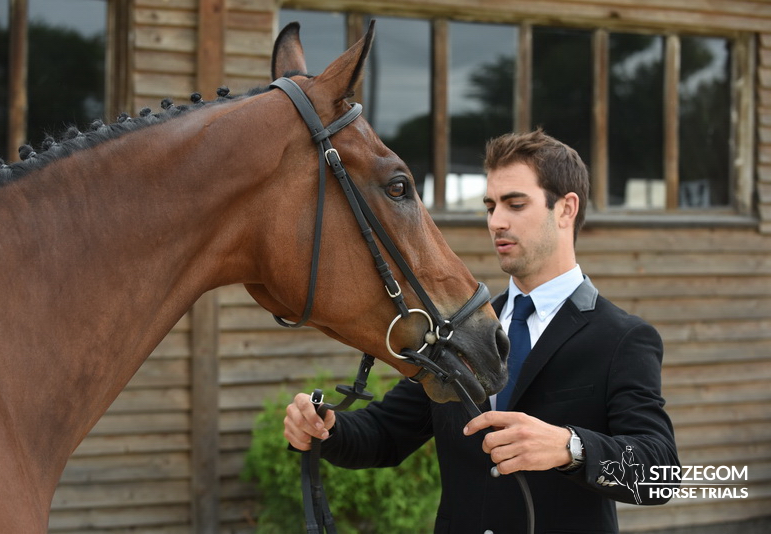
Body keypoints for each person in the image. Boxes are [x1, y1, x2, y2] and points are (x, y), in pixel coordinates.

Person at [284, 129, 680, 533]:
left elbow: (659, 473)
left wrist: (569, 447)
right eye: (490, 205)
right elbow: (385, 434)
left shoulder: (622, 338)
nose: (496, 221)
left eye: (515, 204)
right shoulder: (457, 331)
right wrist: (326, 429)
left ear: (566, 209)